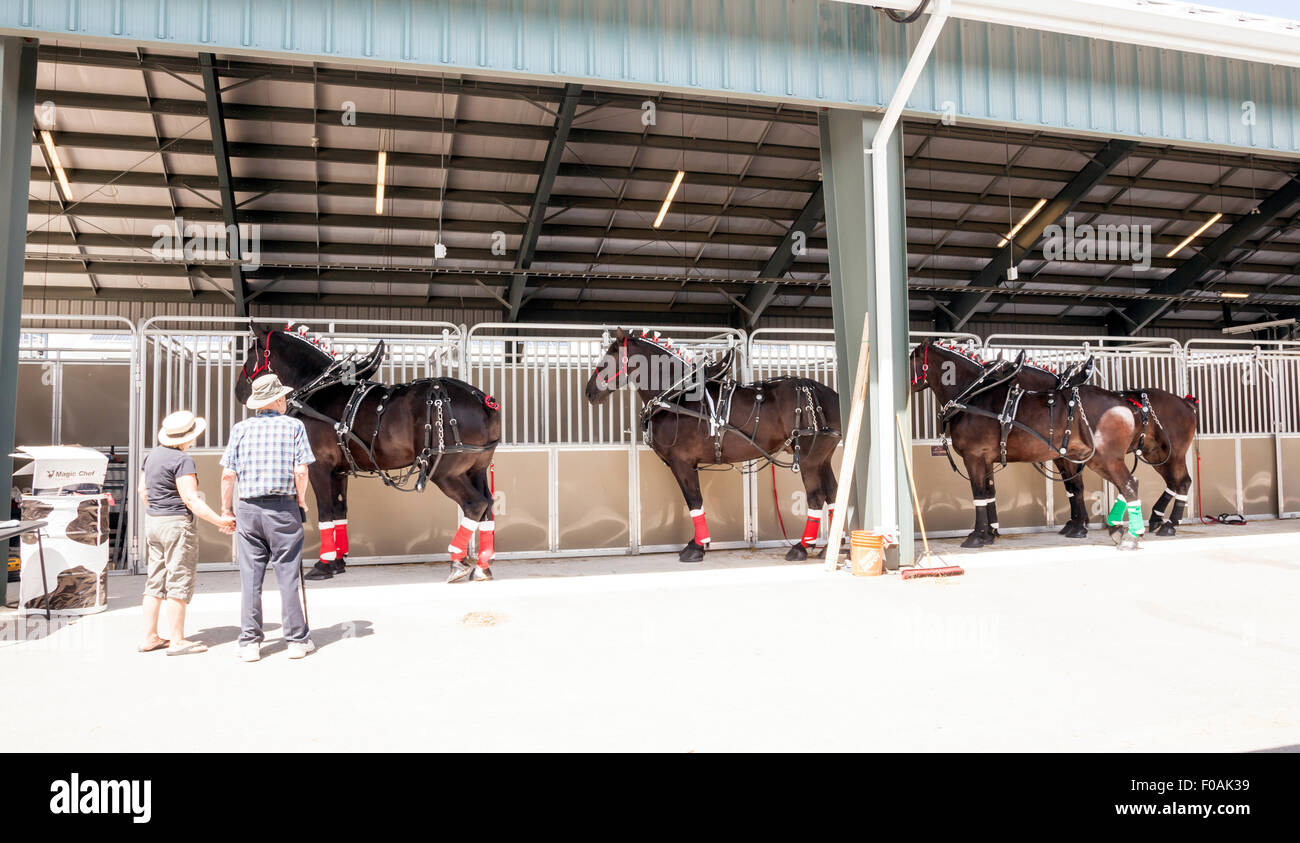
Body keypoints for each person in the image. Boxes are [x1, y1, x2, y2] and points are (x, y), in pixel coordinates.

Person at [220, 373, 316, 662]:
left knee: (250, 577)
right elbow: (301, 471)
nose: (286, 400)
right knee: (287, 573)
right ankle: (296, 641)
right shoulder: (294, 427)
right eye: (283, 397)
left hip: (248, 509)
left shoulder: (240, 429)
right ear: (275, 400)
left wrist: (227, 509)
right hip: (283, 509)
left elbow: (227, 474)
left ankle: (250, 642)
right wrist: (300, 500)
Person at [139, 410, 236, 656]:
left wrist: (158, 510)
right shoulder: (183, 461)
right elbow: (191, 500)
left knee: (154, 582)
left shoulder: (151, 457)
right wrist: (220, 521)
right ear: (187, 437)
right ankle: (177, 640)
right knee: (178, 580)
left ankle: (149, 637)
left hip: (154, 522)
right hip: (176, 525)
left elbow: (143, 491)